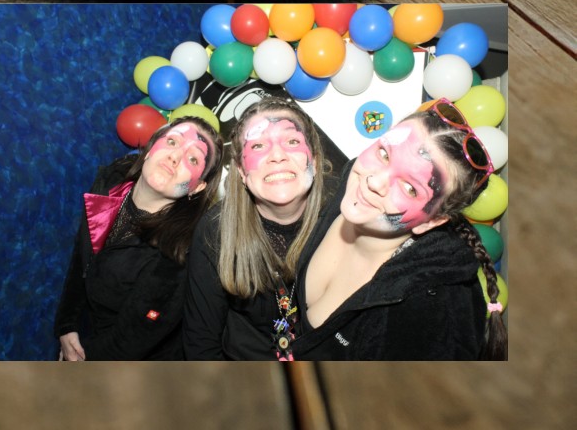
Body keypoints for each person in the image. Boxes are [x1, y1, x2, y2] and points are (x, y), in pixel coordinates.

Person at [291, 98, 505, 360]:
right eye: (384, 154)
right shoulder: (351, 187)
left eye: (410, 188)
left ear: (431, 221)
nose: (374, 181)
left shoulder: (434, 322)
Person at [53, 115, 219, 361]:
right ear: (151, 148)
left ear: (197, 187)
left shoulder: (181, 251)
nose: (175, 156)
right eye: (172, 142)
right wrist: (67, 325)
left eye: (193, 158)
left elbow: (130, 340)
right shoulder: (112, 180)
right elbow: (82, 258)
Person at [184, 100, 338, 359]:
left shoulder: (341, 221)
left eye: (291, 141)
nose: (277, 156)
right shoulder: (216, 230)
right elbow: (201, 343)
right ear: (241, 172)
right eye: (257, 146)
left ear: (314, 159)